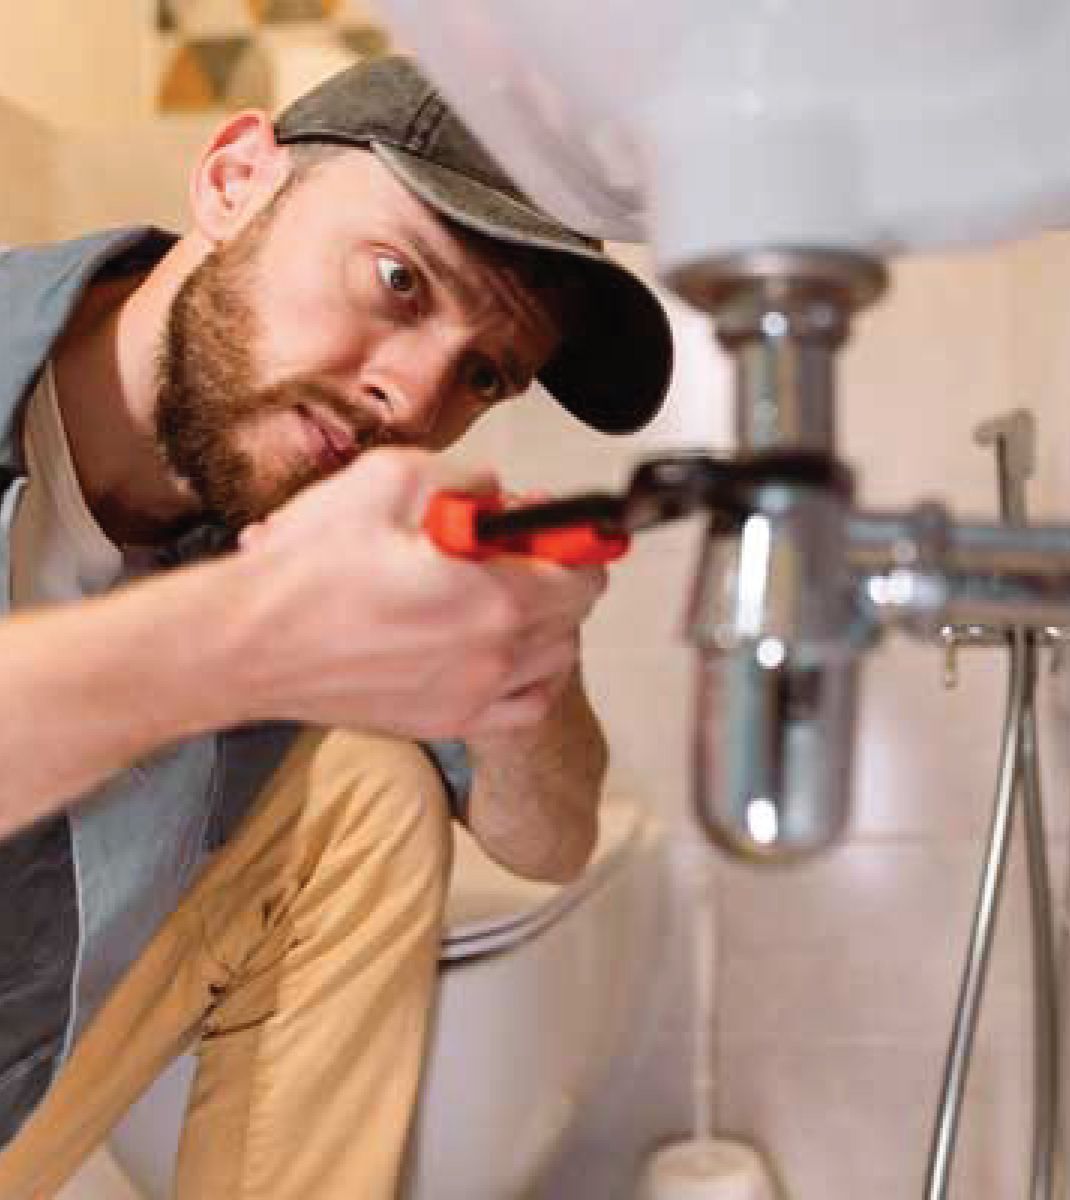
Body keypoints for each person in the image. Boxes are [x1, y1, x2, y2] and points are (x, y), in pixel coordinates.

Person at [0, 54, 672, 1200]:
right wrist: (245, 636)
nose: (415, 401)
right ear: (234, 178)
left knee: (363, 791)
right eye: (399, 283)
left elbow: (548, 840)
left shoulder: (300, 508)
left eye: (485, 374)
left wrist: (525, 670)